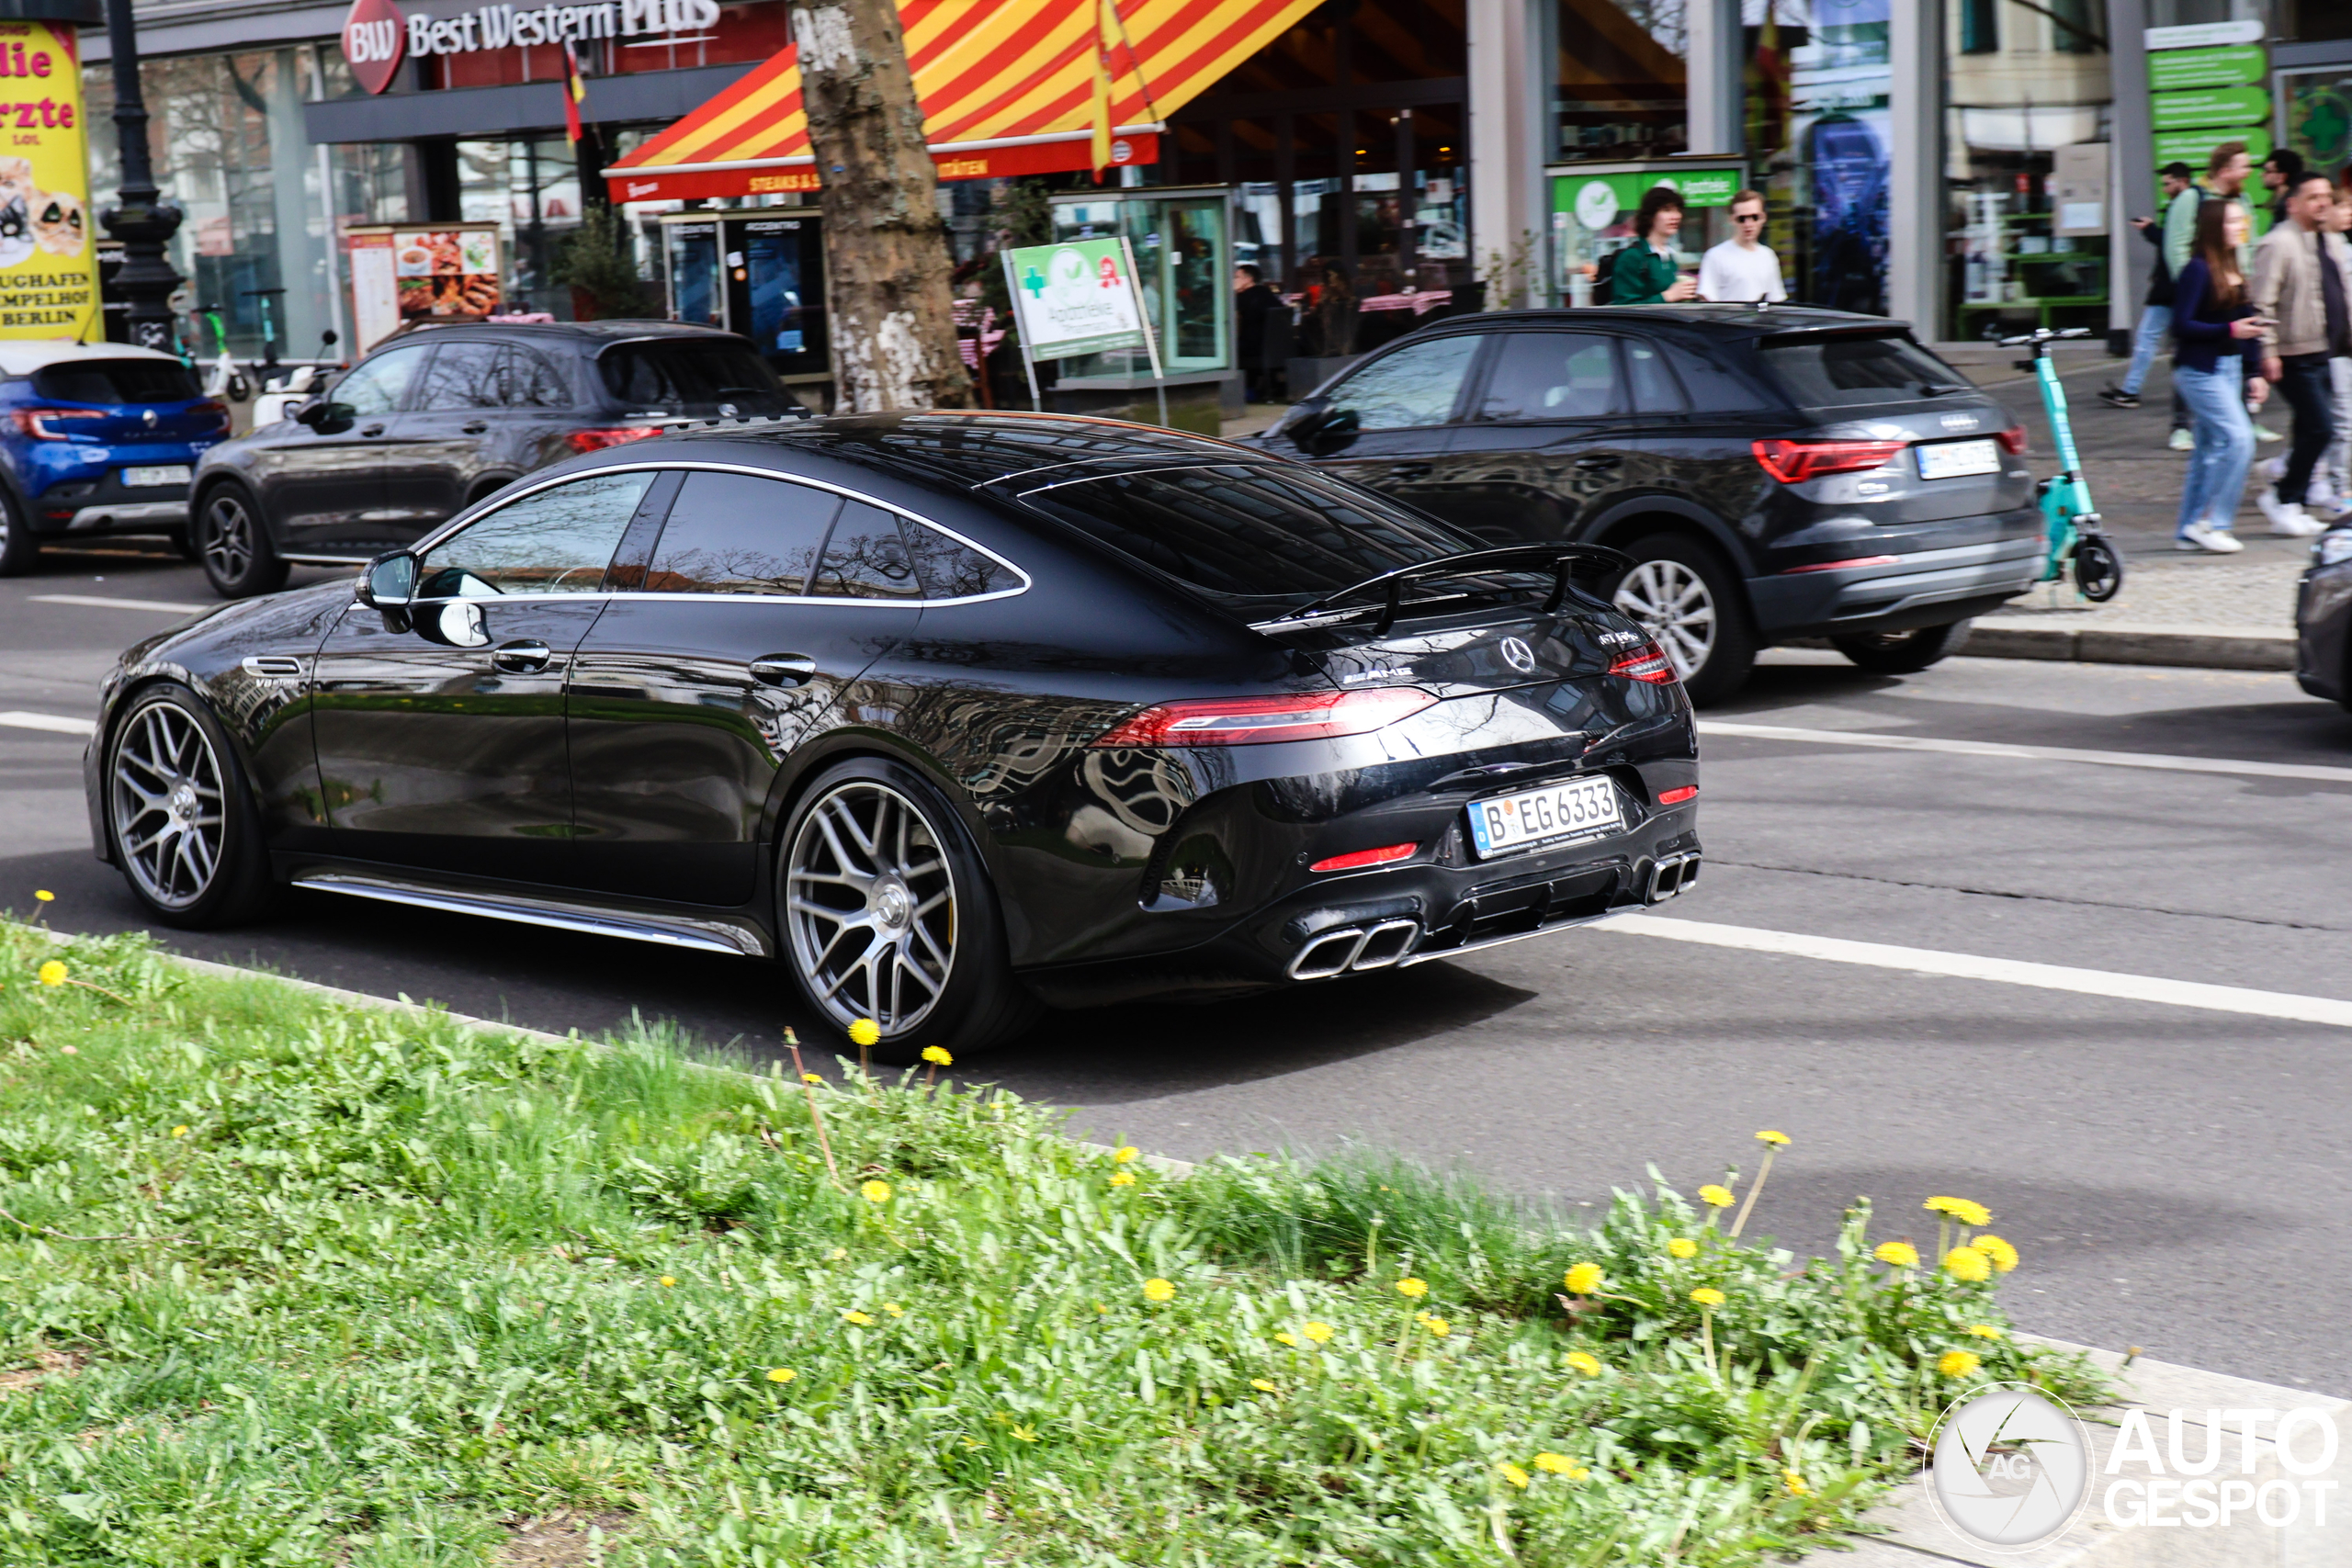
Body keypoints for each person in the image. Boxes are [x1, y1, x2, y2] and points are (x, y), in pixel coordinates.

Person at [2249, 172, 2351, 534]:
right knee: (2321, 428)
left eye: (2327, 195)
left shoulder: (2330, 240)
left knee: (2310, 426)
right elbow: (2262, 303)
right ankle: (2285, 497)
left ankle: (2289, 496)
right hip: (2294, 353)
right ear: (2293, 204)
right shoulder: (2278, 244)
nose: (2323, 202)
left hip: (2326, 350)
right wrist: (2268, 352)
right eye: (2313, 197)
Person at [2170, 198, 2269, 553]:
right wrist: (2228, 330)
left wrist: (2254, 371)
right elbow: (2181, 325)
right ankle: (2211, 522)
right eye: (2232, 222)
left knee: (2208, 452)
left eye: (2241, 222)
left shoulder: (2233, 266)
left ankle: (2188, 529)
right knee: (2240, 439)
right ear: (2214, 226)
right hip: (2199, 371)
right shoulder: (2197, 269)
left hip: (2226, 369)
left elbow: (2248, 322)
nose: (2239, 227)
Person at [2165, 142, 2265, 450]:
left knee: (2232, 354)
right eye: (2243, 166)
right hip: (2207, 291)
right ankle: (2182, 425)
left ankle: (2243, 417)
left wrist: (2244, 278)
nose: (2248, 172)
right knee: (2197, 356)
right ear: (2225, 170)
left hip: (2235, 285)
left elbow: (2249, 242)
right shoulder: (2192, 198)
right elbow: (2176, 245)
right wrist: (2202, 282)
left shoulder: (2241, 200)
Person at [2101, 162, 2193, 409]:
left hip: (2171, 287)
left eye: (2168, 183)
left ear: (2182, 181)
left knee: (2148, 338)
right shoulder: (2184, 205)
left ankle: (2132, 390)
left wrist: (2150, 229)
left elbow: (2172, 243)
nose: (2164, 188)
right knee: (2165, 340)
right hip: (2175, 285)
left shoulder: (2184, 206)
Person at [2312, 186, 2352, 521]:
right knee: (2340, 421)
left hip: (2343, 345)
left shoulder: (2343, 247)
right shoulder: (2316, 249)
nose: (2349, 212)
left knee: (2328, 419)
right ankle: (2339, 489)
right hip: (2329, 346)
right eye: (2345, 207)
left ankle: (2290, 468)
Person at [1609, 186, 1698, 305]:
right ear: (1650, 215)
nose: (1676, 216)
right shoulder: (1632, 257)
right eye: (1666, 210)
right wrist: (1668, 296)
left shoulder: (1669, 256)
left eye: (1677, 210)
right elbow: (1625, 308)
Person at [1697, 188, 1786, 303]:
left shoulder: (1768, 256)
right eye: (1742, 219)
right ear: (1732, 220)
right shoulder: (1715, 256)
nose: (1748, 225)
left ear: (1763, 218)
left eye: (1754, 217)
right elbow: (1707, 301)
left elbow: (1776, 300)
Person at [1232, 263, 1280, 403]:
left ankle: (1245, 390)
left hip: (1252, 347)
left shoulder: (1242, 298)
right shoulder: (1266, 293)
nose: (1234, 280)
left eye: (1237, 277)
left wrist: (1233, 293)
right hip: (1273, 347)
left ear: (1248, 279)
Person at [2261, 148, 2306, 229]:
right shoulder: (2289, 205)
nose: (2261, 174)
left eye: (2267, 171)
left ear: (2281, 177)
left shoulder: (2287, 210)